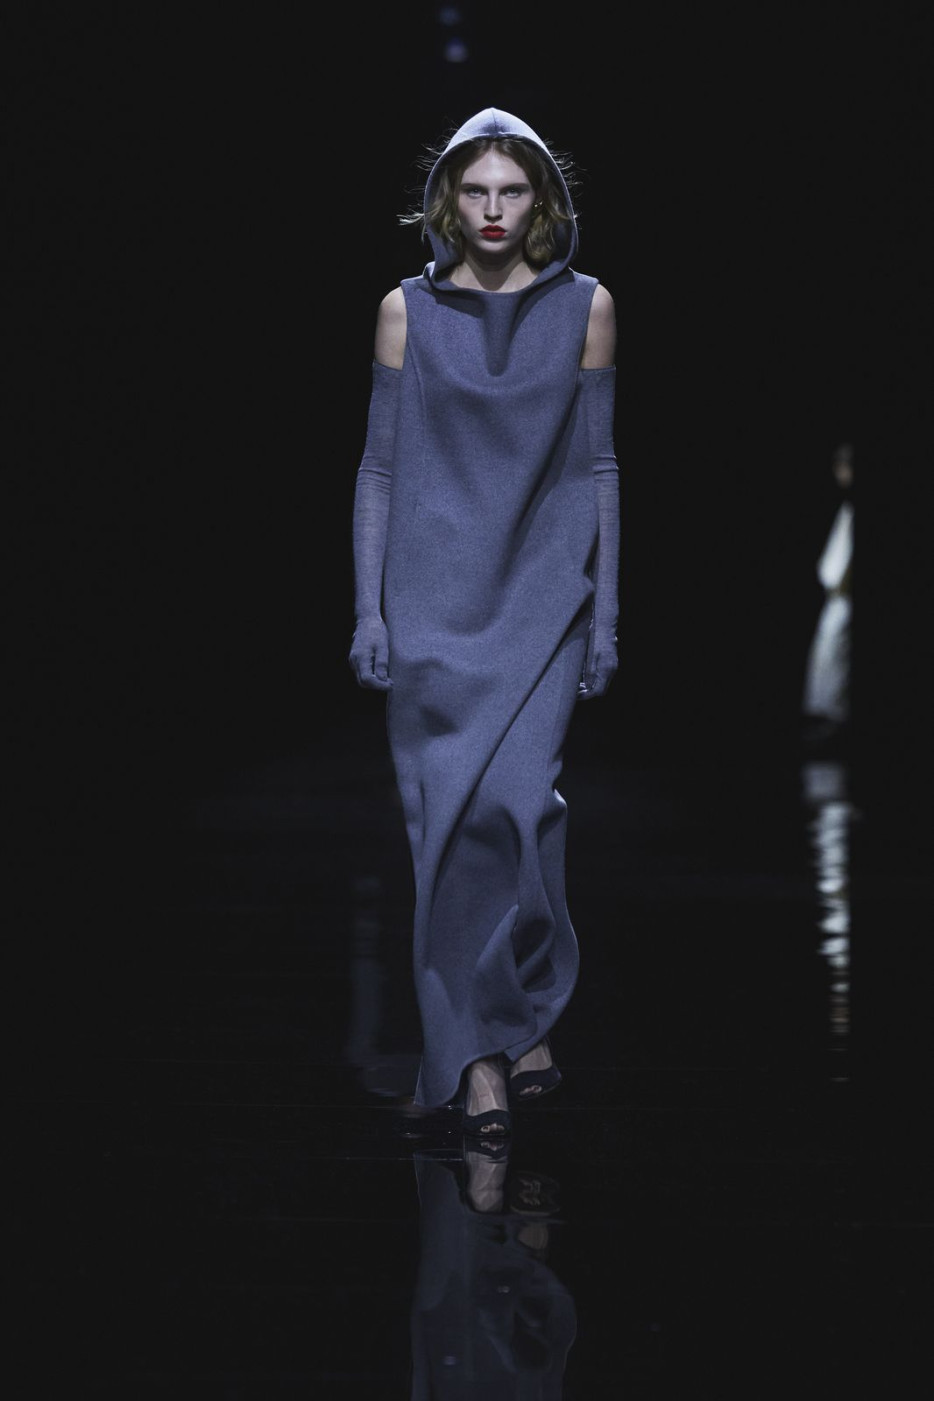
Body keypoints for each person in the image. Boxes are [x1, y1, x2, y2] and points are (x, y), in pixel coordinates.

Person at [348, 107, 619, 1140]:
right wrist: (368, 609)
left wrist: (605, 613)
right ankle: (478, 1063)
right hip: (429, 604)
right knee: (450, 838)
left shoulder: (587, 307)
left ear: (541, 199)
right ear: (448, 201)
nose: (494, 210)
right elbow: (379, 468)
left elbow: (598, 464)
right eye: (476, 191)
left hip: (544, 599)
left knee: (521, 812)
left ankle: (515, 1008)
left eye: (512, 190)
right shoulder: (405, 312)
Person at [802, 443, 854, 751]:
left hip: (844, 597)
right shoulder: (847, 507)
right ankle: (825, 717)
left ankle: (836, 720)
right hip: (834, 596)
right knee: (824, 655)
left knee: (836, 655)